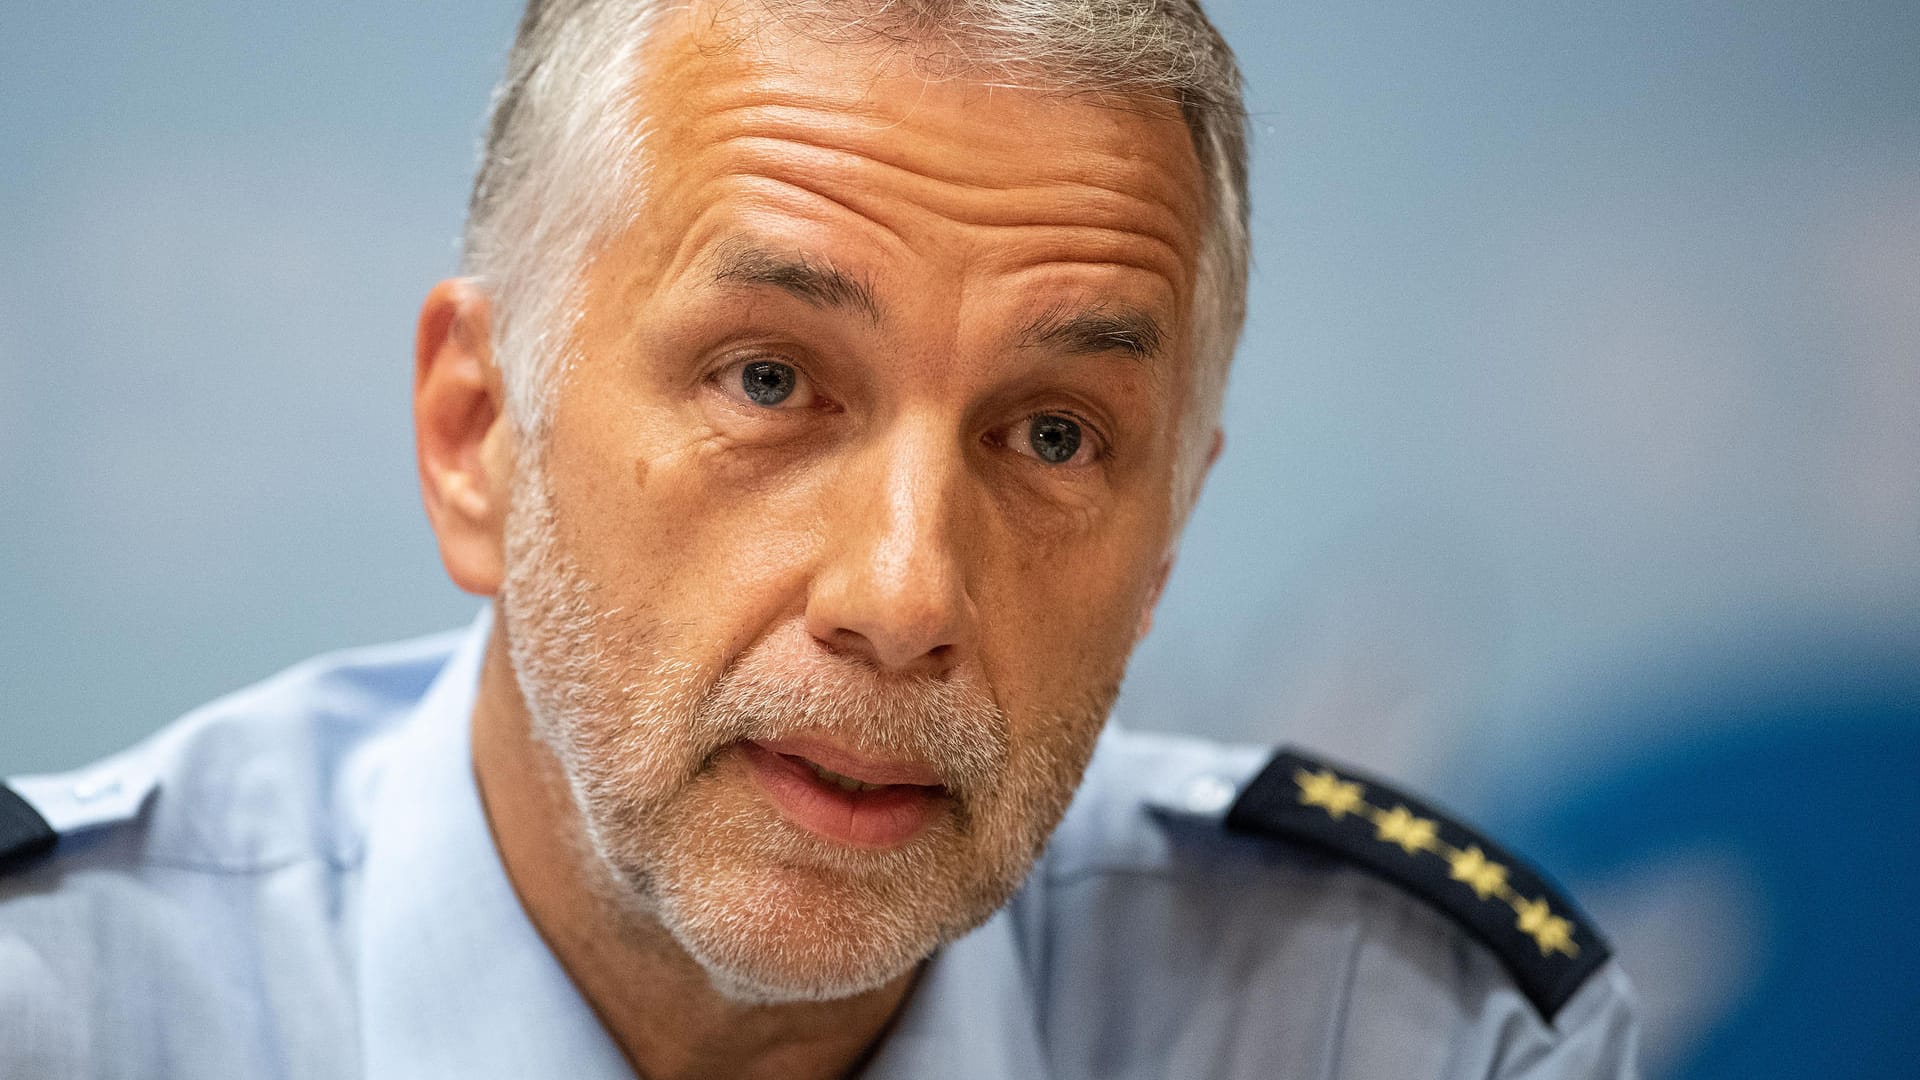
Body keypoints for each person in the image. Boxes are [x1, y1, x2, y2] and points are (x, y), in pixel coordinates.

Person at [0, 1, 1638, 1076]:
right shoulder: (53, 1010)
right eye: (769, 379)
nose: (905, 594)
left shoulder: (1407, 1032)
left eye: (1055, 434)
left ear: (1166, 544)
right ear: (477, 434)